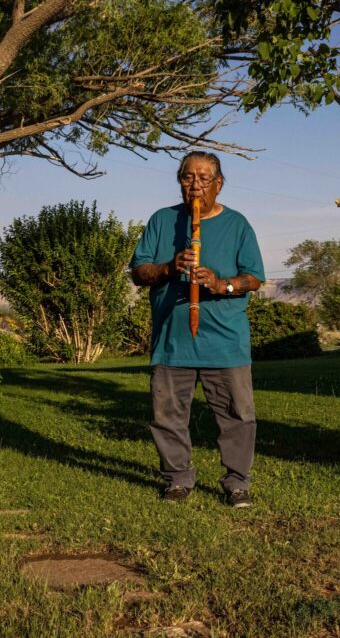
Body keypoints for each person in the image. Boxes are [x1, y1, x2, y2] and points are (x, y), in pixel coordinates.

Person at [130, 152, 265, 508]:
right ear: (180, 181)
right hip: (173, 342)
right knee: (167, 416)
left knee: (238, 416)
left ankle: (237, 483)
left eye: (205, 178)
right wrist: (170, 268)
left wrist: (223, 285)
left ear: (219, 184)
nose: (196, 185)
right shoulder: (162, 220)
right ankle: (177, 479)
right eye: (189, 177)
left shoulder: (238, 225)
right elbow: (138, 272)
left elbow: (254, 278)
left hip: (225, 343)